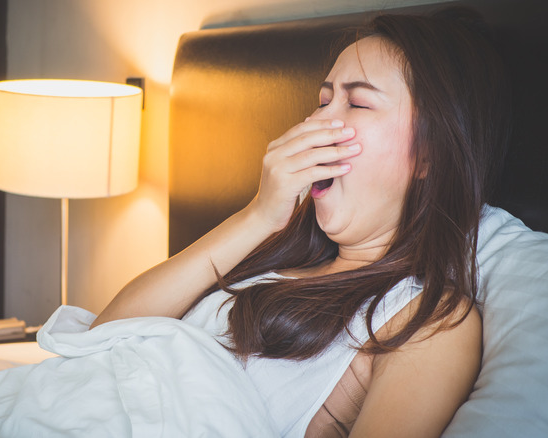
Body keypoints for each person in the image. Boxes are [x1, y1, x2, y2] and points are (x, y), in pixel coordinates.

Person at [92, 7, 510, 438]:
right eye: (323, 101)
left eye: (358, 102)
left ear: (429, 153)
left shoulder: (427, 321)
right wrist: (258, 216)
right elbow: (102, 337)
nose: (315, 123)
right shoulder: (274, 254)